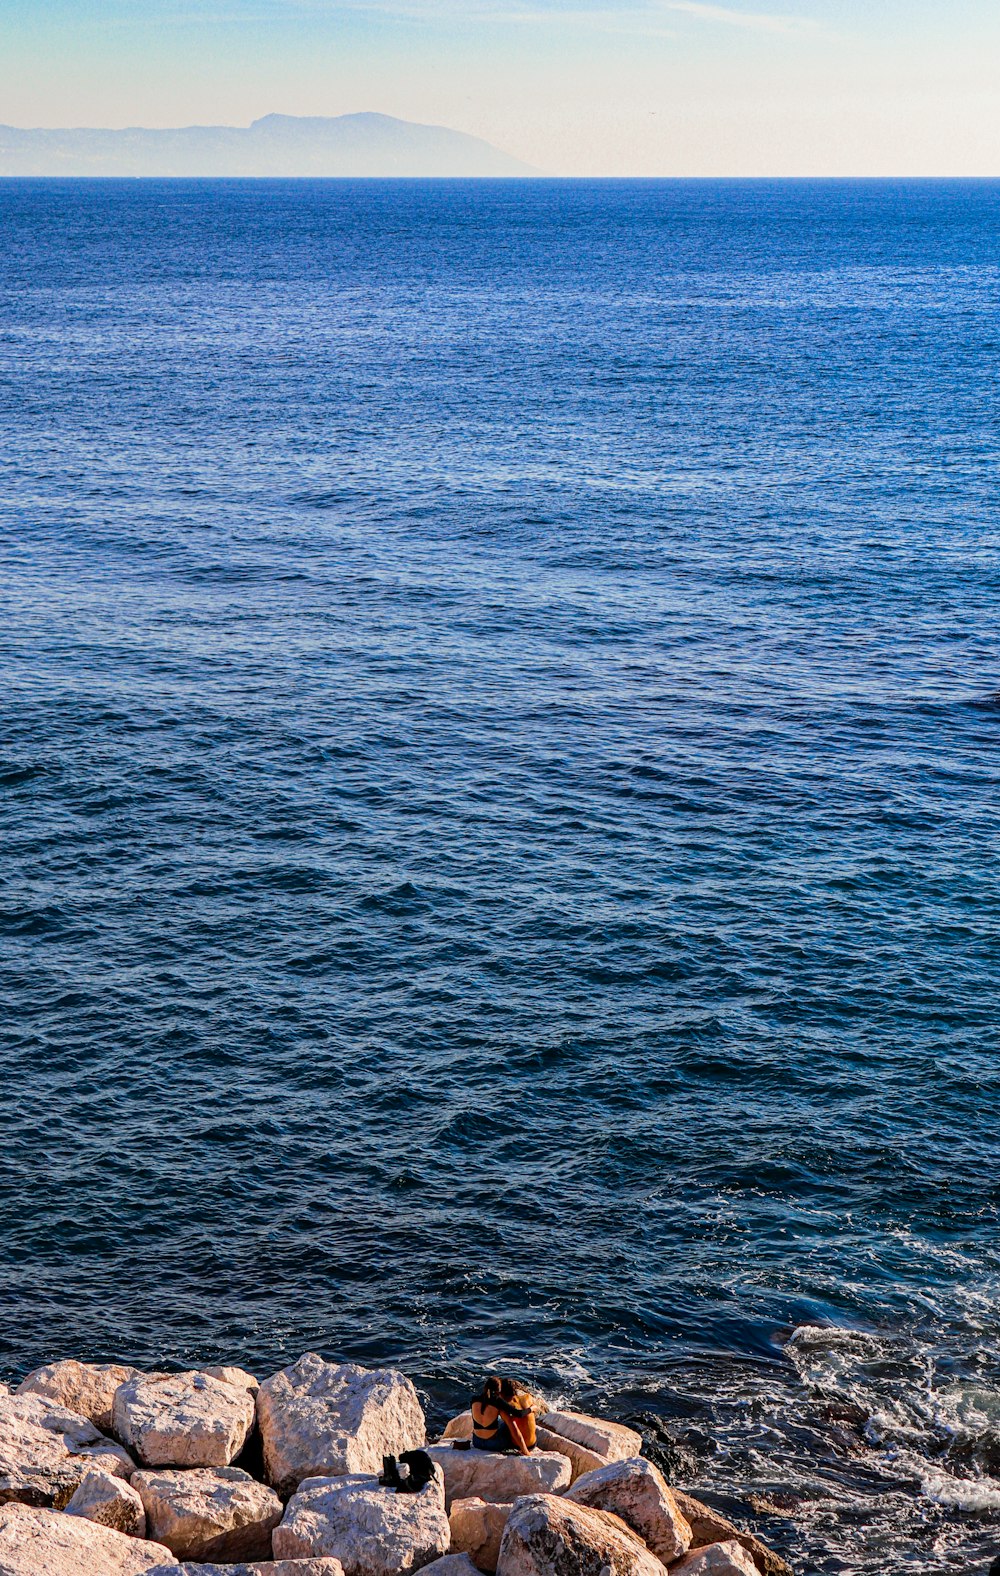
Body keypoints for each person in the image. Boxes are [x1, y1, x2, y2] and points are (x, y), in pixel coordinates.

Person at [470, 1375, 538, 1455]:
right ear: (498, 1390)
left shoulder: (474, 1399)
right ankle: (519, 1449)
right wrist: (531, 1408)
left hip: (477, 1442)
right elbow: (519, 1414)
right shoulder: (497, 1401)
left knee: (497, 1421)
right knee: (508, 1422)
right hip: (494, 1444)